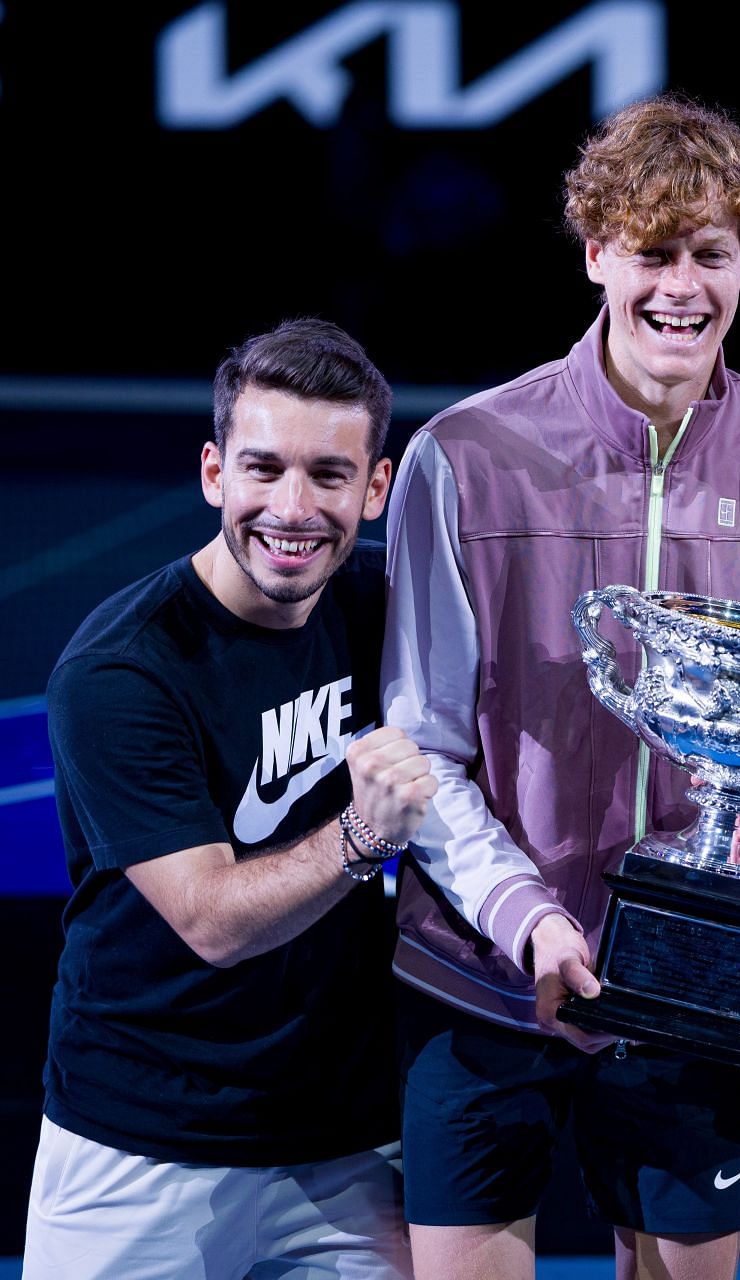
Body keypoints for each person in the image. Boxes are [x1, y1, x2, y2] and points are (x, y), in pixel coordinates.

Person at [381, 95, 740, 1280]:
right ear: (597, 253)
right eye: (651, 251)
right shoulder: (465, 458)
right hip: (484, 979)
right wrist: (526, 917)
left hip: (687, 997)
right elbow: (422, 744)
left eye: (709, 253)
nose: (679, 286)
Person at [25, 319, 429, 1279]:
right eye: (263, 469)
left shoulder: (391, 611)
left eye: (329, 476)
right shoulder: (123, 666)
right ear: (214, 474)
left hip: (349, 1150)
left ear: (375, 488)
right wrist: (364, 836)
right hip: (139, 1145)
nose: (292, 508)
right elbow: (209, 920)